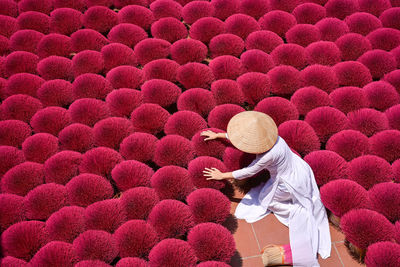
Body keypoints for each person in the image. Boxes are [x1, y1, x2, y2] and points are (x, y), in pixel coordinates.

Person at [201, 111, 331, 267]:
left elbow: (249, 171)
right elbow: (246, 139)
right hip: (298, 168)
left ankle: (301, 245)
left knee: (267, 200)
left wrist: (222, 175)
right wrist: (219, 135)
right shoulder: (274, 139)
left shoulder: (269, 154)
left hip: (288, 180)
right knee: (269, 196)